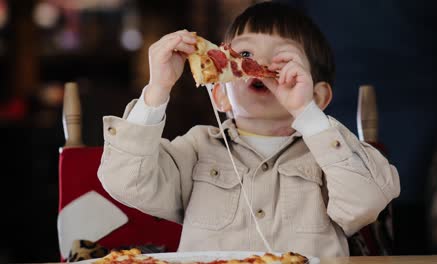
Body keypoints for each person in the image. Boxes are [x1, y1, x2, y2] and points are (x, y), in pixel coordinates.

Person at [98, 2, 400, 257]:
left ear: (318, 96)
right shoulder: (195, 149)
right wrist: (157, 89)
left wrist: (306, 114)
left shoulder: (328, 158)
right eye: (243, 56)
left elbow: (367, 202)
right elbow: (125, 180)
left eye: (284, 60)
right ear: (218, 93)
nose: (261, 64)